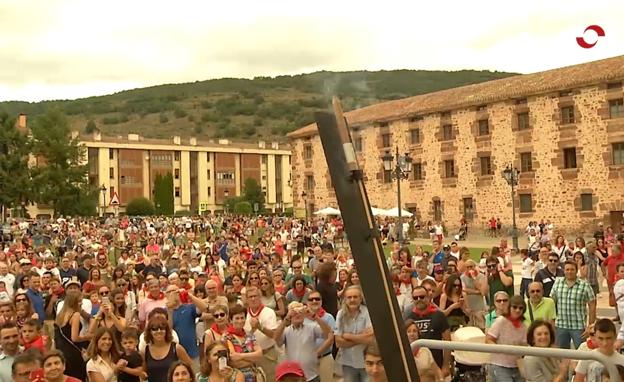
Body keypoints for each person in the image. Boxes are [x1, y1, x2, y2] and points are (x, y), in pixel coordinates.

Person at [275, 301, 333, 382]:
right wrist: (286, 319)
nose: (298, 315)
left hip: (312, 376)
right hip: (294, 378)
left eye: (300, 312)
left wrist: (315, 316)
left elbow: (328, 333)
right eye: (294, 313)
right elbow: (276, 339)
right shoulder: (286, 331)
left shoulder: (312, 327)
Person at [550, 260, 596, 349]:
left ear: (576, 270)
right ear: (564, 270)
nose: (569, 272)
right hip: (561, 325)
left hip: (578, 327)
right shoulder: (557, 283)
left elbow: (592, 305)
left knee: (581, 353)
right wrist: (552, 322)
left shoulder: (584, 285)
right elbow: (552, 302)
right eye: (567, 269)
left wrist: (590, 326)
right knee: (561, 354)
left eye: (572, 269)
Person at [407, 286, 451, 376]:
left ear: (428, 297)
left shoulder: (439, 315)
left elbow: (448, 342)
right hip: (416, 368)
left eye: (422, 297)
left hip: (436, 367)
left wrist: (446, 366)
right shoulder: (408, 317)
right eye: (415, 298)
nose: (419, 299)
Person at [335, 285, 374, 382]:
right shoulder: (340, 315)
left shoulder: (367, 312)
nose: (352, 300)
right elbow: (338, 343)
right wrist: (361, 338)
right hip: (348, 363)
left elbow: (370, 339)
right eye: (349, 297)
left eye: (355, 297)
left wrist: (347, 336)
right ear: (345, 299)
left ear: (361, 299)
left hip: (366, 363)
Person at [486, 295, 527, 381]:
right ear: (509, 307)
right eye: (515, 307)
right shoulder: (501, 321)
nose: (517, 310)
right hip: (498, 364)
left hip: (516, 366)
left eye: (520, 308)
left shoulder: (523, 326)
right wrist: (501, 349)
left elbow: (524, 345)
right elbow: (488, 340)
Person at [143, 315, 193, 382]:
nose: (159, 331)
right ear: (150, 331)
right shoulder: (145, 351)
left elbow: (190, 369)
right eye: (154, 329)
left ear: (166, 330)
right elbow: (143, 374)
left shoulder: (177, 348)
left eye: (162, 328)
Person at [243, 286, 278, 381]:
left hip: (267, 355)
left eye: (255, 296)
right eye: (250, 297)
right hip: (250, 357)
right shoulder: (243, 314)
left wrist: (260, 327)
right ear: (246, 299)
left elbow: (274, 335)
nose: (253, 299)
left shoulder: (269, 312)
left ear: (260, 297)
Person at [221, 305, 264, 381]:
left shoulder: (249, 335)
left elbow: (259, 354)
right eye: (237, 318)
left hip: (253, 377)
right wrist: (252, 359)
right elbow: (233, 362)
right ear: (230, 320)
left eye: (242, 318)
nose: (240, 321)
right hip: (236, 378)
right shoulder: (225, 337)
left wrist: (240, 356)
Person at [54, 290, 89, 381]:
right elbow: (75, 338)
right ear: (74, 302)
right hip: (73, 353)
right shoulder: (75, 315)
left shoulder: (61, 314)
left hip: (62, 351)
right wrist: (88, 336)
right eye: (79, 301)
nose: (81, 303)